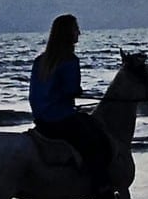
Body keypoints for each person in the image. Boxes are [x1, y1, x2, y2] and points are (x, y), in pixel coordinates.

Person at [29, 14, 113, 174]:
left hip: (41, 118)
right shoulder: (69, 60)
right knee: (97, 141)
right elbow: (71, 90)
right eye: (76, 29)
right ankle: (100, 186)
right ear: (67, 33)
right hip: (60, 118)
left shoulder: (40, 60)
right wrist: (77, 92)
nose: (79, 33)